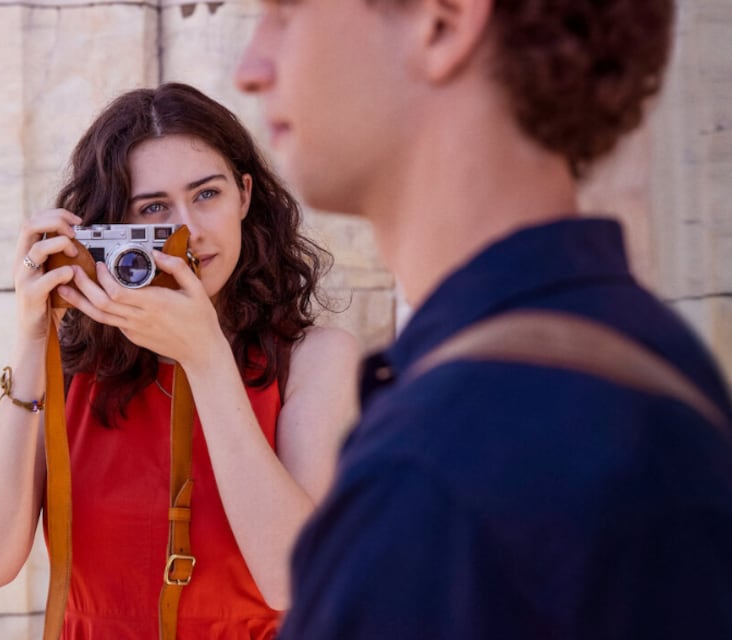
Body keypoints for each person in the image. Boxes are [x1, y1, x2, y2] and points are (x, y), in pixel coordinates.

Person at [235, 0, 732, 638]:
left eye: (285, 12)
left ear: (442, 22)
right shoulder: (656, 360)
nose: (250, 67)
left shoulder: (439, 476)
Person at [0, 82, 359, 638]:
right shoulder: (77, 373)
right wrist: (32, 339)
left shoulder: (314, 361)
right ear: (113, 231)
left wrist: (207, 359)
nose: (188, 230)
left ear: (244, 195)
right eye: (154, 208)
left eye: (207, 195)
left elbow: (292, 582)